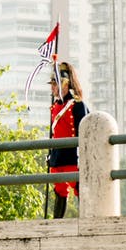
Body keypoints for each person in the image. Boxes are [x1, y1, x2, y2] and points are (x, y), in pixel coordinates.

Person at [48, 61, 87, 219]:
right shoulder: (54, 106)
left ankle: (86, 220)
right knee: (59, 191)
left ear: (65, 84)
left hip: (72, 155)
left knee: (79, 189)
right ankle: (56, 224)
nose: (52, 88)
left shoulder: (77, 105)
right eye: (52, 84)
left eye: (55, 84)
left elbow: (84, 132)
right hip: (57, 156)